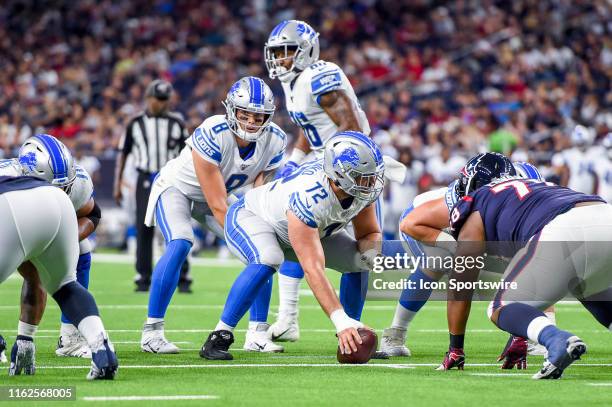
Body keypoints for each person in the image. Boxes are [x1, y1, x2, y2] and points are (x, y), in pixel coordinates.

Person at [264, 20, 396, 343]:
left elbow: (351, 128)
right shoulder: (294, 81)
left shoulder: (319, 78)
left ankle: (353, 326)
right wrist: (294, 162)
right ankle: (289, 318)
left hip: (349, 168)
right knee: (297, 232)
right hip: (324, 164)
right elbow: (309, 126)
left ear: (307, 51)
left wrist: (338, 170)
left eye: (287, 52)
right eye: (277, 53)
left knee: (359, 252)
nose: (281, 59)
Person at [200, 131, 384, 360]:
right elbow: (313, 269)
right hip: (253, 217)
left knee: (359, 262)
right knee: (269, 257)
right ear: (339, 174)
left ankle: (353, 334)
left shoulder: (358, 189)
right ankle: (220, 334)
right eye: (361, 177)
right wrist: (338, 319)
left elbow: (369, 232)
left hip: (305, 229)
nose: (369, 183)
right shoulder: (309, 197)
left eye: (371, 176)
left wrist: (372, 254)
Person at [141, 76, 287, 354]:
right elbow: (218, 204)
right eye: (245, 114)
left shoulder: (275, 139)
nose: (252, 122)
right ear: (232, 110)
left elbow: (260, 194)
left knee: (264, 244)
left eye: (259, 116)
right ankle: (152, 332)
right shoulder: (213, 130)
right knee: (181, 240)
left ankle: (257, 333)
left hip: (215, 195)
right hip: (178, 189)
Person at [448, 153, 611, 379]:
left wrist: (455, 347)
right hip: (603, 212)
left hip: (566, 227)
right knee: (590, 287)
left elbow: (461, 283)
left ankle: (555, 339)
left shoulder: (478, 201)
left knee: (499, 306)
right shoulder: (538, 186)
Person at [380, 160, 555, 359]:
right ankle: (395, 333)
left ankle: (537, 334)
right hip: (427, 226)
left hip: (475, 228)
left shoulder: (518, 194)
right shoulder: (459, 201)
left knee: (533, 263)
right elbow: (410, 224)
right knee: (439, 262)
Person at [0, 175, 117, 380]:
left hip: (8, 205)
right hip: (57, 199)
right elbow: (93, 210)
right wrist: (24, 338)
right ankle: (101, 348)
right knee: (65, 285)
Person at [0, 135, 102, 365]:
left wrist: (61, 240)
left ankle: (71, 338)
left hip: (39, 222)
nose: (59, 193)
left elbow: (92, 214)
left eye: (64, 187)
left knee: (82, 251)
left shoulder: (79, 182)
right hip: (7, 220)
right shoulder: (7, 176)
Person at [113, 79, 191, 292]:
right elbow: (123, 153)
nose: (162, 104)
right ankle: (143, 276)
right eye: (158, 99)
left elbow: (188, 154)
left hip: (172, 180)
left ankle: (182, 276)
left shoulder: (177, 123)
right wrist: (117, 183)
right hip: (146, 178)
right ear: (148, 99)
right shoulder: (135, 123)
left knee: (177, 227)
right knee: (144, 228)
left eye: (165, 100)